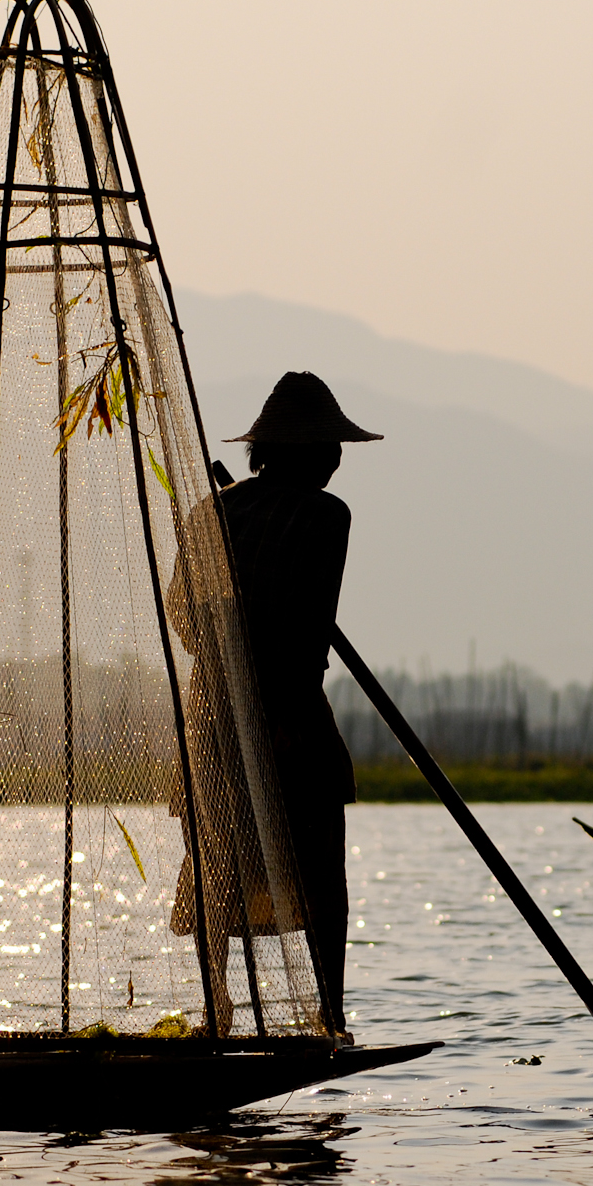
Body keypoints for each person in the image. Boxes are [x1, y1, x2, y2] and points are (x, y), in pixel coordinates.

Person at [167, 371, 380, 1036]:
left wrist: (229, 642)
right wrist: (279, 714)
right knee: (318, 873)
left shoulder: (215, 509)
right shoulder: (326, 516)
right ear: (307, 452)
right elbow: (309, 630)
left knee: (218, 866)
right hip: (285, 707)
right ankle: (331, 1011)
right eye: (329, 447)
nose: (338, 459)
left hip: (210, 711)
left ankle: (218, 1007)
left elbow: (180, 610)